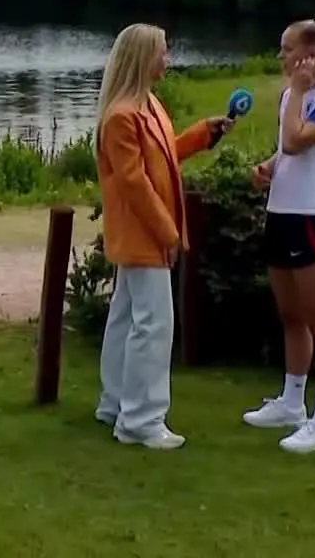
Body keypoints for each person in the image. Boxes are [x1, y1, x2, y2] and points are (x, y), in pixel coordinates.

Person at [94, 22, 234, 450]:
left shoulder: (146, 106)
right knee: (154, 325)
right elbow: (136, 184)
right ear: (142, 58)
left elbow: (162, 155)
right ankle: (141, 419)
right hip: (143, 237)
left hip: (143, 235)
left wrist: (203, 135)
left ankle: (116, 402)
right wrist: (169, 233)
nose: (167, 59)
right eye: (162, 52)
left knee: (126, 320)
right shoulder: (121, 117)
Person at [242, 10, 315, 454]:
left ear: (311, 55)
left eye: (287, 49)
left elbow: (296, 141)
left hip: (314, 218)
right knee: (291, 316)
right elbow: (286, 152)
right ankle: (292, 403)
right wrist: (269, 168)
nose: (281, 57)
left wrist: (295, 93)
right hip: (282, 213)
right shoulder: (295, 97)